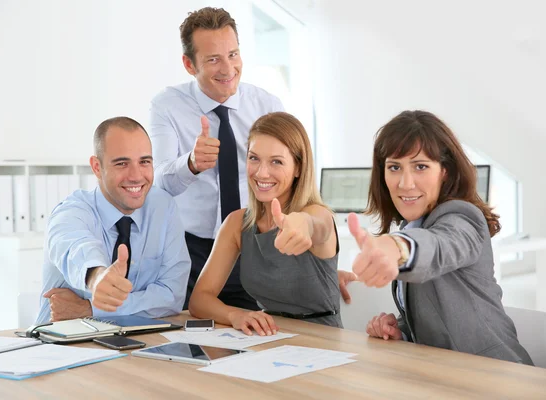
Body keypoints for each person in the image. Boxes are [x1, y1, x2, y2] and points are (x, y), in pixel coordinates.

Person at [347, 110, 533, 365]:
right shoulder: (411, 226)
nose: (405, 183)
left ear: (445, 171)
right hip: (446, 376)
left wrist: (396, 248)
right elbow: (442, 313)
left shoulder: (463, 217)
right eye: (394, 167)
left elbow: (437, 247)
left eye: (421, 166)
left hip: (498, 376)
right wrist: (401, 329)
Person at [149, 7, 285, 310]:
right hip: (191, 250)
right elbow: (157, 180)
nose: (228, 68)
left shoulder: (267, 105)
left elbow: (291, 175)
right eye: (213, 59)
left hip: (254, 244)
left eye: (233, 55)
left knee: (255, 335)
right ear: (189, 64)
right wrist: (191, 163)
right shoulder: (167, 105)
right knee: (187, 337)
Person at [189, 112, 342, 335]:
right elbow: (199, 299)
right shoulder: (237, 223)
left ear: (298, 168)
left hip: (323, 343)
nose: (261, 172)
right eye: (254, 158)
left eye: (276, 162)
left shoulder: (316, 213)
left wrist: (303, 224)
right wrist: (236, 315)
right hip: (267, 340)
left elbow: (317, 223)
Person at [36, 117, 191, 324]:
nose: (136, 176)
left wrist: (90, 308)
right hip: (64, 348)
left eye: (144, 162)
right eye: (122, 163)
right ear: (97, 167)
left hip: (135, 345)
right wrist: (96, 277)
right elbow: (76, 247)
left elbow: (172, 296)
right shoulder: (71, 212)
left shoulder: (163, 207)